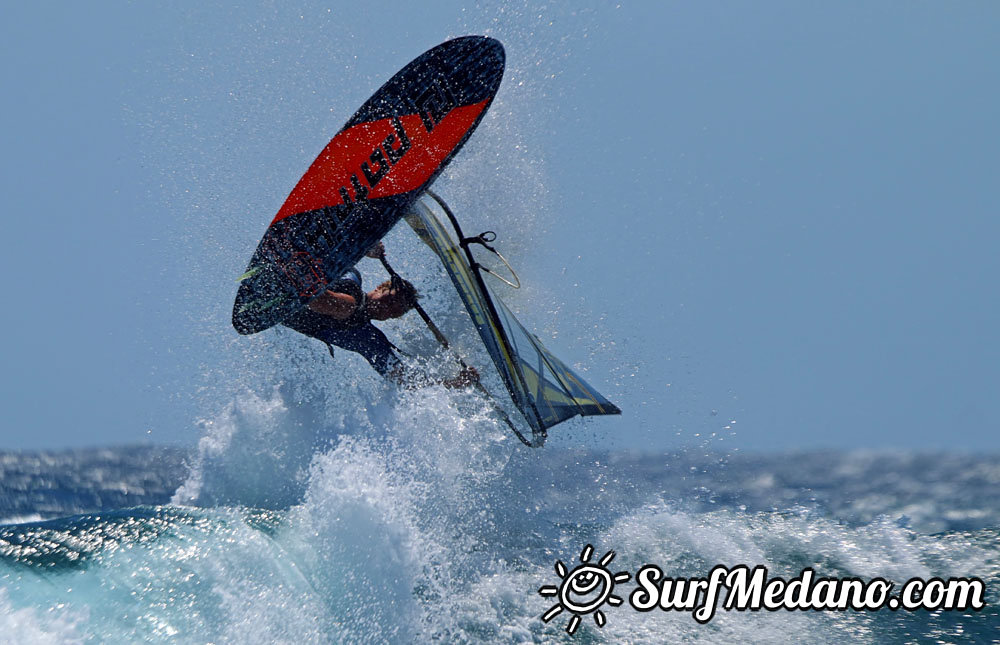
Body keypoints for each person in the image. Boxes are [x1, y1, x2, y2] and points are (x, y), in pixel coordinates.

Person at [281, 242, 478, 389]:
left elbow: (403, 378)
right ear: (379, 288)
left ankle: (301, 285)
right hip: (303, 283)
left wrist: (455, 383)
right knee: (350, 284)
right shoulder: (352, 277)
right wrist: (365, 248)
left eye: (394, 311)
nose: (388, 309)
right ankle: (297, 273)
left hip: (291, 311)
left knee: (350, 307)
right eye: (390, 300)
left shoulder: (370, 338)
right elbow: (340, 254)